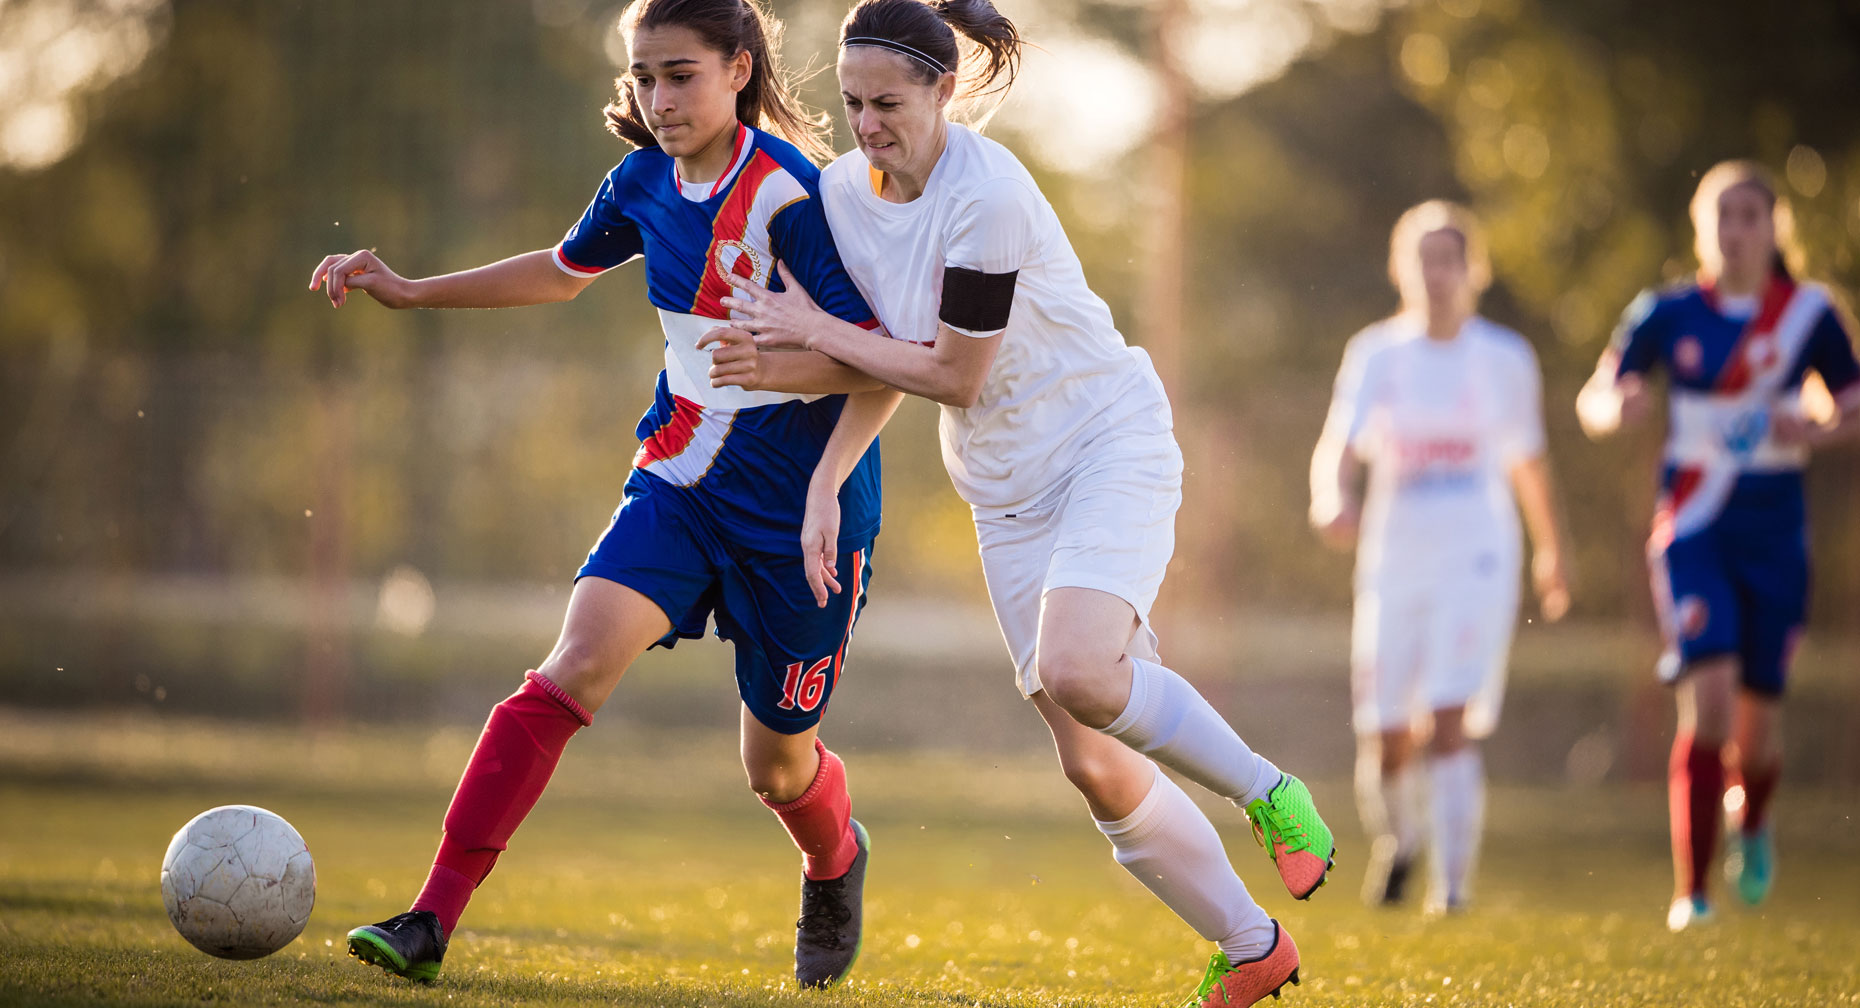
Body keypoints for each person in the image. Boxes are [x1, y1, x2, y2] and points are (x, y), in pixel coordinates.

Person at [705, 1, 1335, 1003]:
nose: (867, 124)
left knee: (1083, 669)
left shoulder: (986, 195)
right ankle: (1253, 945)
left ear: (944, 90)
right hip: (1003, 493)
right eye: (854, 102)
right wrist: (814, 459)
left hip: (1103, 445)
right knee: (1092, 764)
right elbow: (876, 361)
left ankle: (1272, 793)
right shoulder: (841, 194)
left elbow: (949, 373)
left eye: (888, 104)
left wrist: (812, 330)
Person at [307, 0, 905, 986]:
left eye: (681, 75)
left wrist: (812, 451)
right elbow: (560, 271)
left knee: (776, 768)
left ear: (740, 69)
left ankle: (835, 855)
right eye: (644, 76)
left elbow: (884, 364)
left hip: (803, 515)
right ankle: (430, 918)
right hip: (679, 481)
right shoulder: (640, 181)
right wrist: (412, 289)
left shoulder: (794, 197)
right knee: (571, 668)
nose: (658, 99)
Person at [1577, 160, 1860, 932]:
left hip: (1775, 540)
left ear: (1774, 228)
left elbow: (1852, 404)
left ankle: (1754, 814)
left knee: (1756, 736)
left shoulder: (1809, 314)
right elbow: (1595, 395)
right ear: (1701, 230)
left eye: (1749, 216)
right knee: (1707, 707)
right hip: (1693, 531)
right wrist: (1616, 404)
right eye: (1721, 216)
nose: (1735, 231)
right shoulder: (1666, 313)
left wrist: (1820, 428)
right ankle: (1692, 893)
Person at [1307, 200, 1571, 916]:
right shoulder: (1376, 354)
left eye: (1449, 260)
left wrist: (1552, 550)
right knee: (1387, 734)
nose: (1436, 274)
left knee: (1450, 716)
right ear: (1401, 270)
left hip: (1477, 557)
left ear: (1471, 270)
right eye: (1422, 260)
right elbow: (1339, 444)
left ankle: (1452, 891)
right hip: (1396, 559)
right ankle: (1402, 841)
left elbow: (1528, 462)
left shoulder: (1504, 358)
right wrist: (1333, 496)